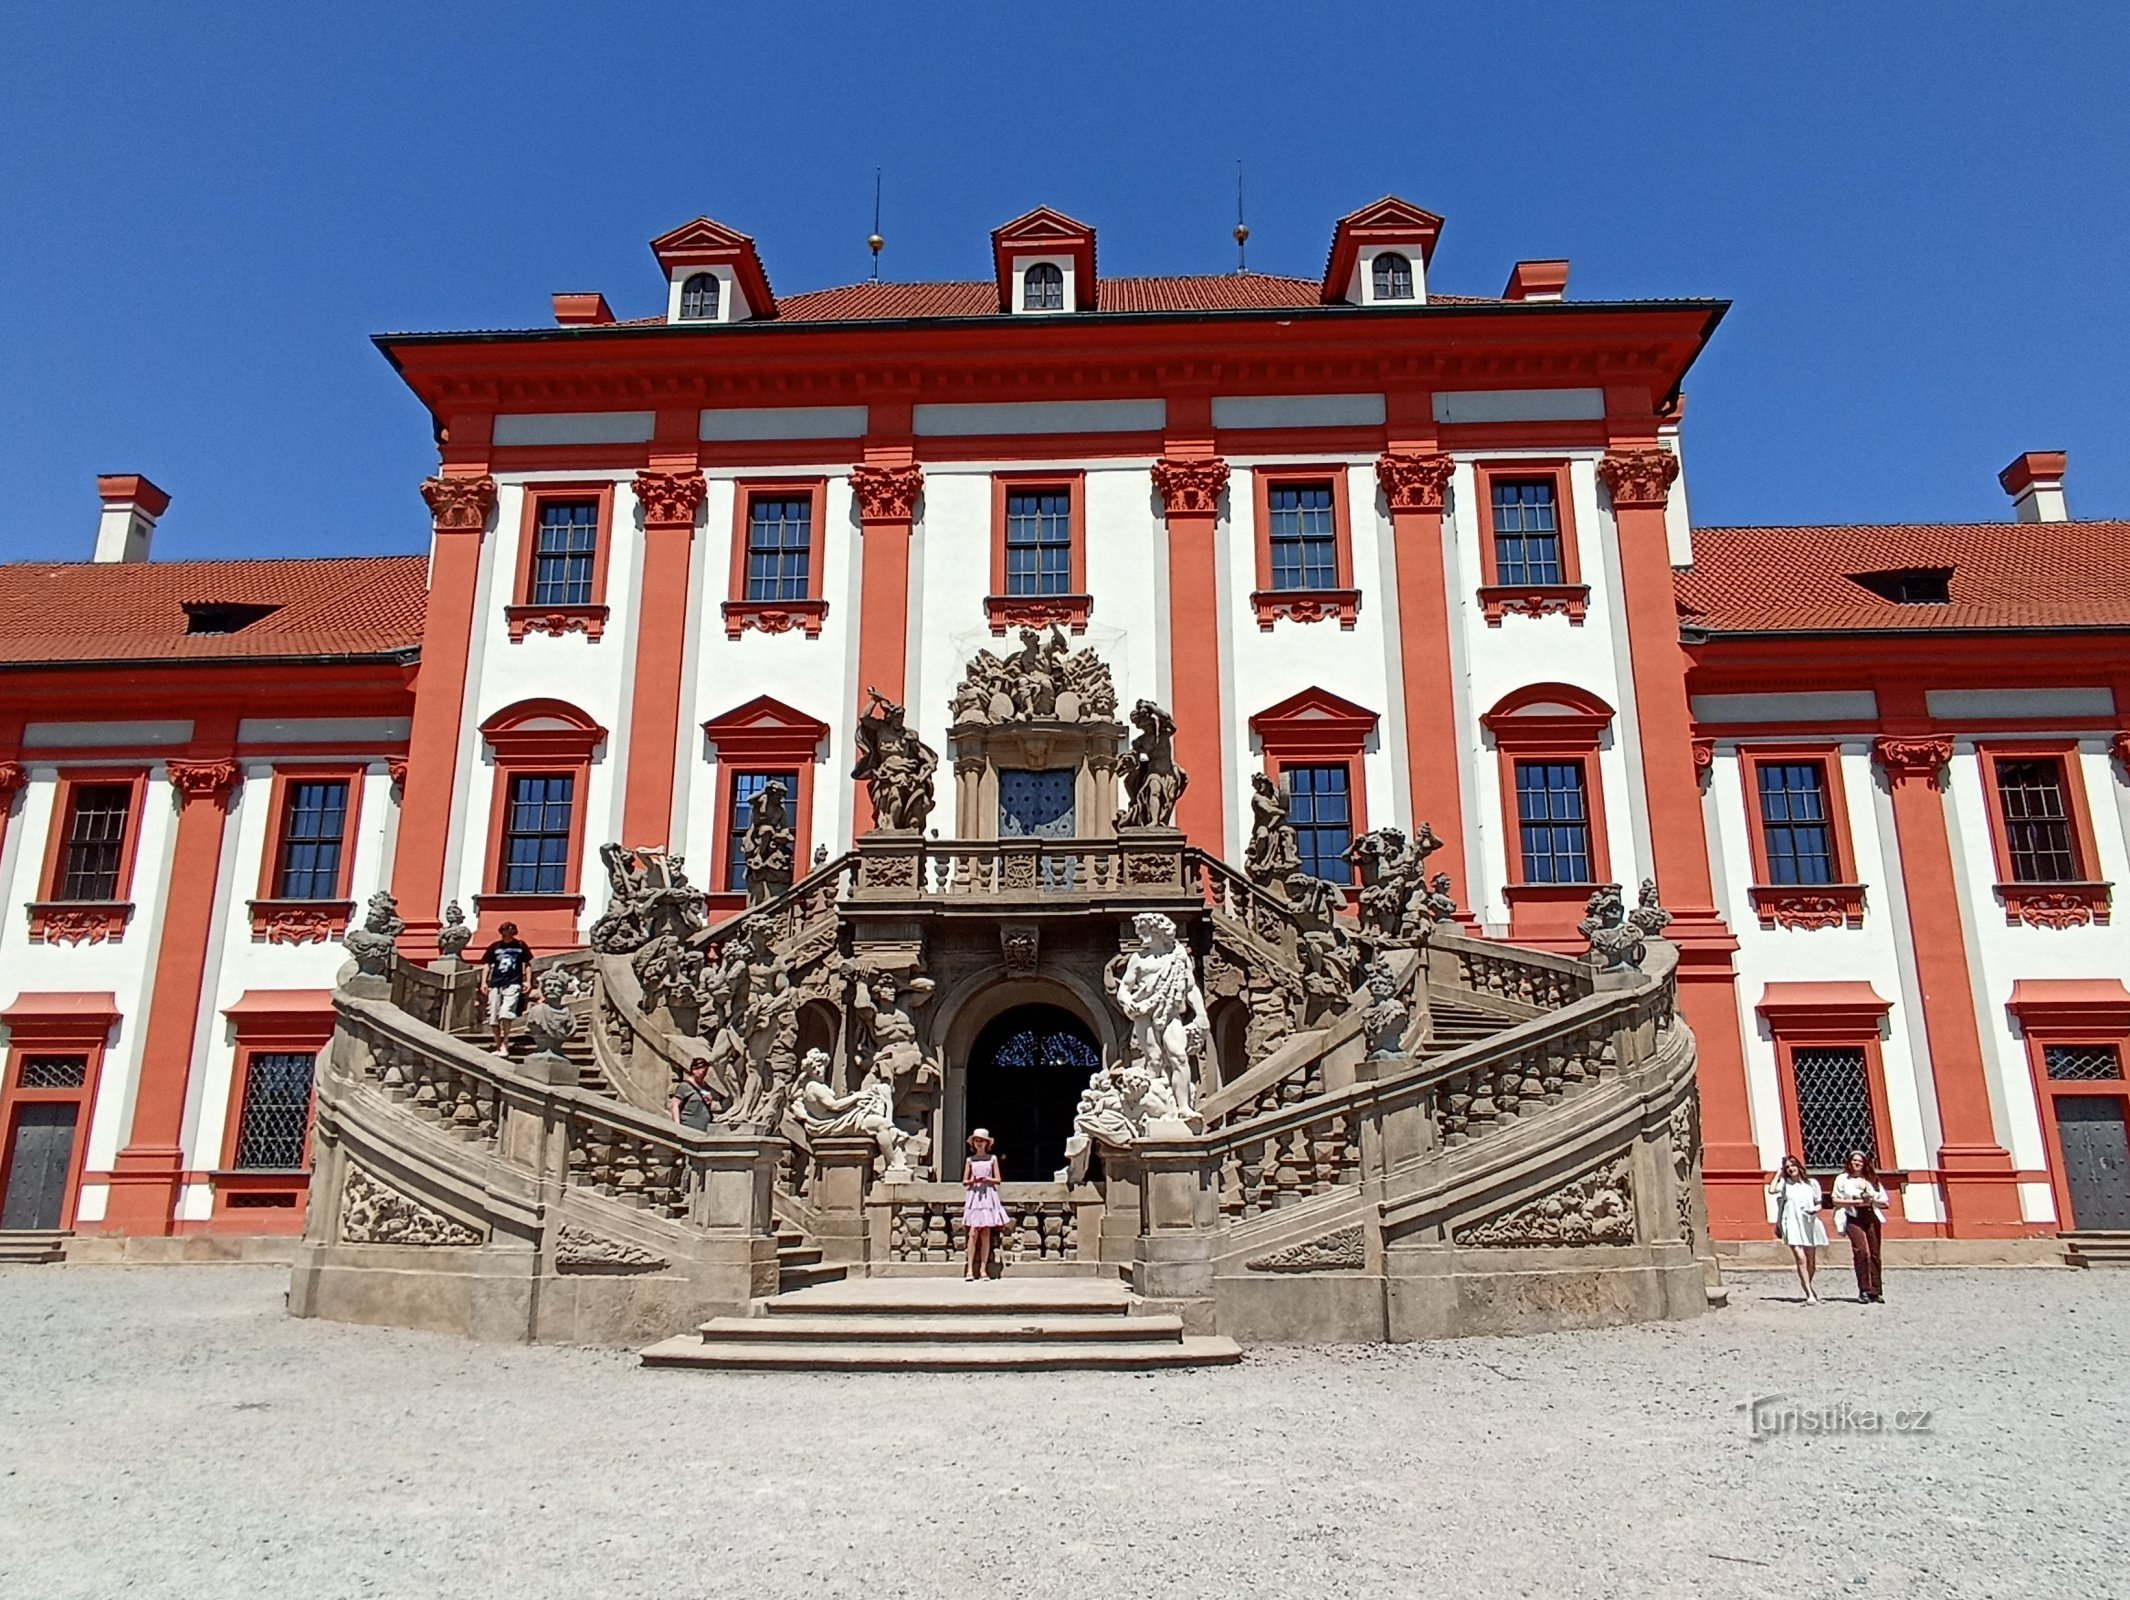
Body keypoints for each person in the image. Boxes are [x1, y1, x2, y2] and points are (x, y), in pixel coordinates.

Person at [1767, 1154, 1829, 1304]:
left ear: (1798, 1166)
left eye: (1792, 1165)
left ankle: (1808, 1284)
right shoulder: (1785, 1184)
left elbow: (1819, 1203)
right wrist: (1778, 1174)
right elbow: (1771, 1189)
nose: (1790, 1169)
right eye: (1787, 1167)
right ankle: (1809, 1292)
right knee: (1800, 1258)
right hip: (1792, 1222)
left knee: (1811, 1260)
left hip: (1808, 1222)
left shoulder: (1811, 1183)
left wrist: (1815, 1210)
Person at [1832, 1150, 1890, 1303]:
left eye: (1860, 1161)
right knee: (1861, 1251)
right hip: (1853, 1215)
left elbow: (1885, 1202)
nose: (1857, 1163)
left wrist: (1871, 1200)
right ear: (1849, 1162)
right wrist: (1853, 1202)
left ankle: (1875, 1290)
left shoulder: (1871, 1180)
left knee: (1874, 1253)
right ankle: (1863, 1289)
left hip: (1870, 1214)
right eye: (1854, 1160)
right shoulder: (1842, 1179)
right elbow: (1835, 1200)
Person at [479, 921, 533, 1056]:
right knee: (493, 1018)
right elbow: (487, 965)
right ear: (502, 932)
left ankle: (505, 1043)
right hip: (496, 984)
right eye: (505, 930)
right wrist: (484, 982)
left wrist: (528, 981)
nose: (508, 933)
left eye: (510, 930)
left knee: (505, 1013)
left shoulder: (520, 946)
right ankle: (498, 1045)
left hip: (514, 983)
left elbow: (527, 964)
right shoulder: (494, 947)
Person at [962, 1128, 1009, 1282]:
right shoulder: (970, 1160)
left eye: (981, 1140)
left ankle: (983, 1269)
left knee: (986, 1232)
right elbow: (965, 1181)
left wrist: (987, 1179)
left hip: (987, 1194)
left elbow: (998, 1179)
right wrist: (974, 1180)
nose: (979, 1143)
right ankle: (969, 1269)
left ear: (987, 1143)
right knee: (973, 1232)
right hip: (975, 1195)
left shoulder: (992, 1158)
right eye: (977, 1140)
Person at [669, 1060, 717, 1133]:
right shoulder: (685, 1086)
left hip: (704, 1129)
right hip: (689, 1127)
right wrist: (677, 1126)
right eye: (701, 1070)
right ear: (694, 1070)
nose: (703, 1073)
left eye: (705, 1071)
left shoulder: (707, 1087)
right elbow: (675, 1105)